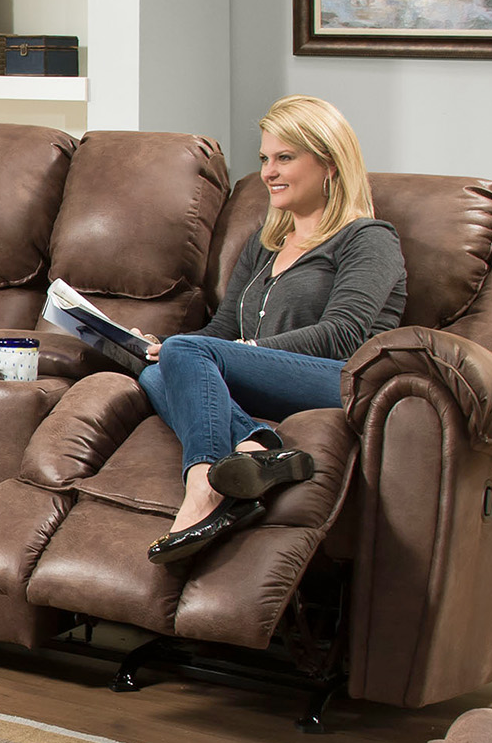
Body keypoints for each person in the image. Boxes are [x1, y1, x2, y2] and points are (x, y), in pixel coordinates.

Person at [136, 95, 408, 566]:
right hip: (262, 377)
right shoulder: (266, 243)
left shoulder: (369, 239)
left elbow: (344, 333)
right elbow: (222, 328)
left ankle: (203, 487)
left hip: (339, 377)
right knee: (154, 373)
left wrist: (244, 349)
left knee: (187, 353)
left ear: (328, 164)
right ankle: (257, 447)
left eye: (285, 158)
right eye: (265, 159)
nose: (268, 172)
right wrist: (169, 350)